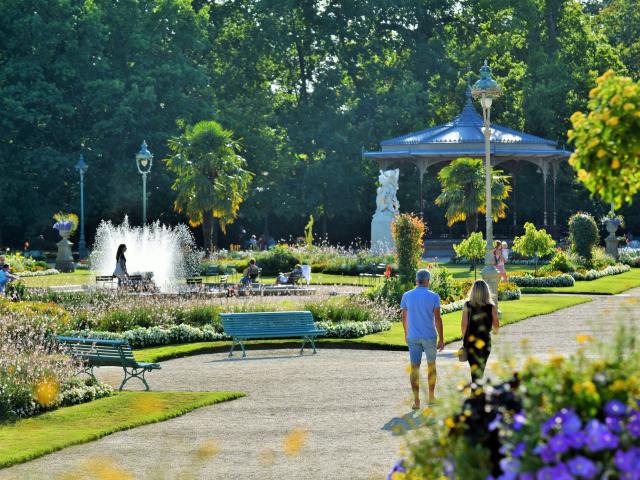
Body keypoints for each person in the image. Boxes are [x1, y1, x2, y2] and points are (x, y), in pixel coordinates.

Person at [401, 269, 444, 409]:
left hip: (413, 336)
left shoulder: (407, 295)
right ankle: (431, 397)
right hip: (429, 336)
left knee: (415, 369)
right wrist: (442, 339)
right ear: (428, 280)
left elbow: (404, 317)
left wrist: (406, 333)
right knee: (431, 366)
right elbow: (438, 319)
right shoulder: (433, 296)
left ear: (416, 280)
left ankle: (416, 401)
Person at [461, 280, 500, 382]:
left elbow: (464, 324)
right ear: (486, 292)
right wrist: (495, 332)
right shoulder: (491, 307)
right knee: (480, 369)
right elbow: (496, 324)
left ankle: (475, 392)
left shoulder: (467, 305)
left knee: (474, 369)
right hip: (485, 340)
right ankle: (477, 392)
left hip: (470, 340)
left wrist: (464, 338)